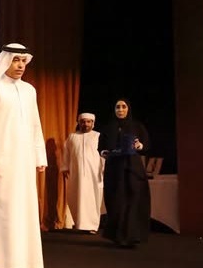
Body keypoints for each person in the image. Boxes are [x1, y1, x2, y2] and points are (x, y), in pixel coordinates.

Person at [0, 43, 47, 268]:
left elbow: (35, 124)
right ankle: (1, 265)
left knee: (26, 211)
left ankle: (28, 264)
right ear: (5, 61)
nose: (20, 65)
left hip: (24, 161)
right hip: (1, 160)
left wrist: (39, 156)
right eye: (16, 60)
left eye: (23, 61)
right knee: (3, 212)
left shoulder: (29, 90)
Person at [98, 98, 151, 248]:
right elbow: (101, 147)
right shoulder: (108, 128)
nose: (120, 110)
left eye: (123, 107)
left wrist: (140, 145)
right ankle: (119, 237)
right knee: (117, 201)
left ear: (128, 109)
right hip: (115, 170)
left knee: (134, 200)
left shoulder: (137, 126)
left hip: (133, 168)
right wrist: (104, 152)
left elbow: (146, 144)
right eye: (117, 107)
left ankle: (132, 236)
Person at [60, 113, 104, 234]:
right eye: (83, 122)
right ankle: (80, 224)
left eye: (88, 122)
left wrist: (104, 169)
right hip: (76, 173)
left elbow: (103, 154)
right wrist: (65, 167)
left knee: (93, 198)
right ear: (79, 123)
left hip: (94, 173)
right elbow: (66, 153)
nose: (85, 124)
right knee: (76, 197)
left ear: (93, 123)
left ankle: (93, 226)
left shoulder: (97, 136)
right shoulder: (72, 137)